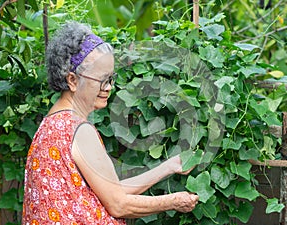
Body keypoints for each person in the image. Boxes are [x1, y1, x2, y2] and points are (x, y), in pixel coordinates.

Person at [22, 21, 199, 224]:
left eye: (111, 79)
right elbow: (118, 204)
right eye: (101, 80)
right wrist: (174, 201)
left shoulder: (53, 124)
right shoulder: (77, 130)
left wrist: (169, 167)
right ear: (72, 80)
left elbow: (112, 191)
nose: (108, 88)